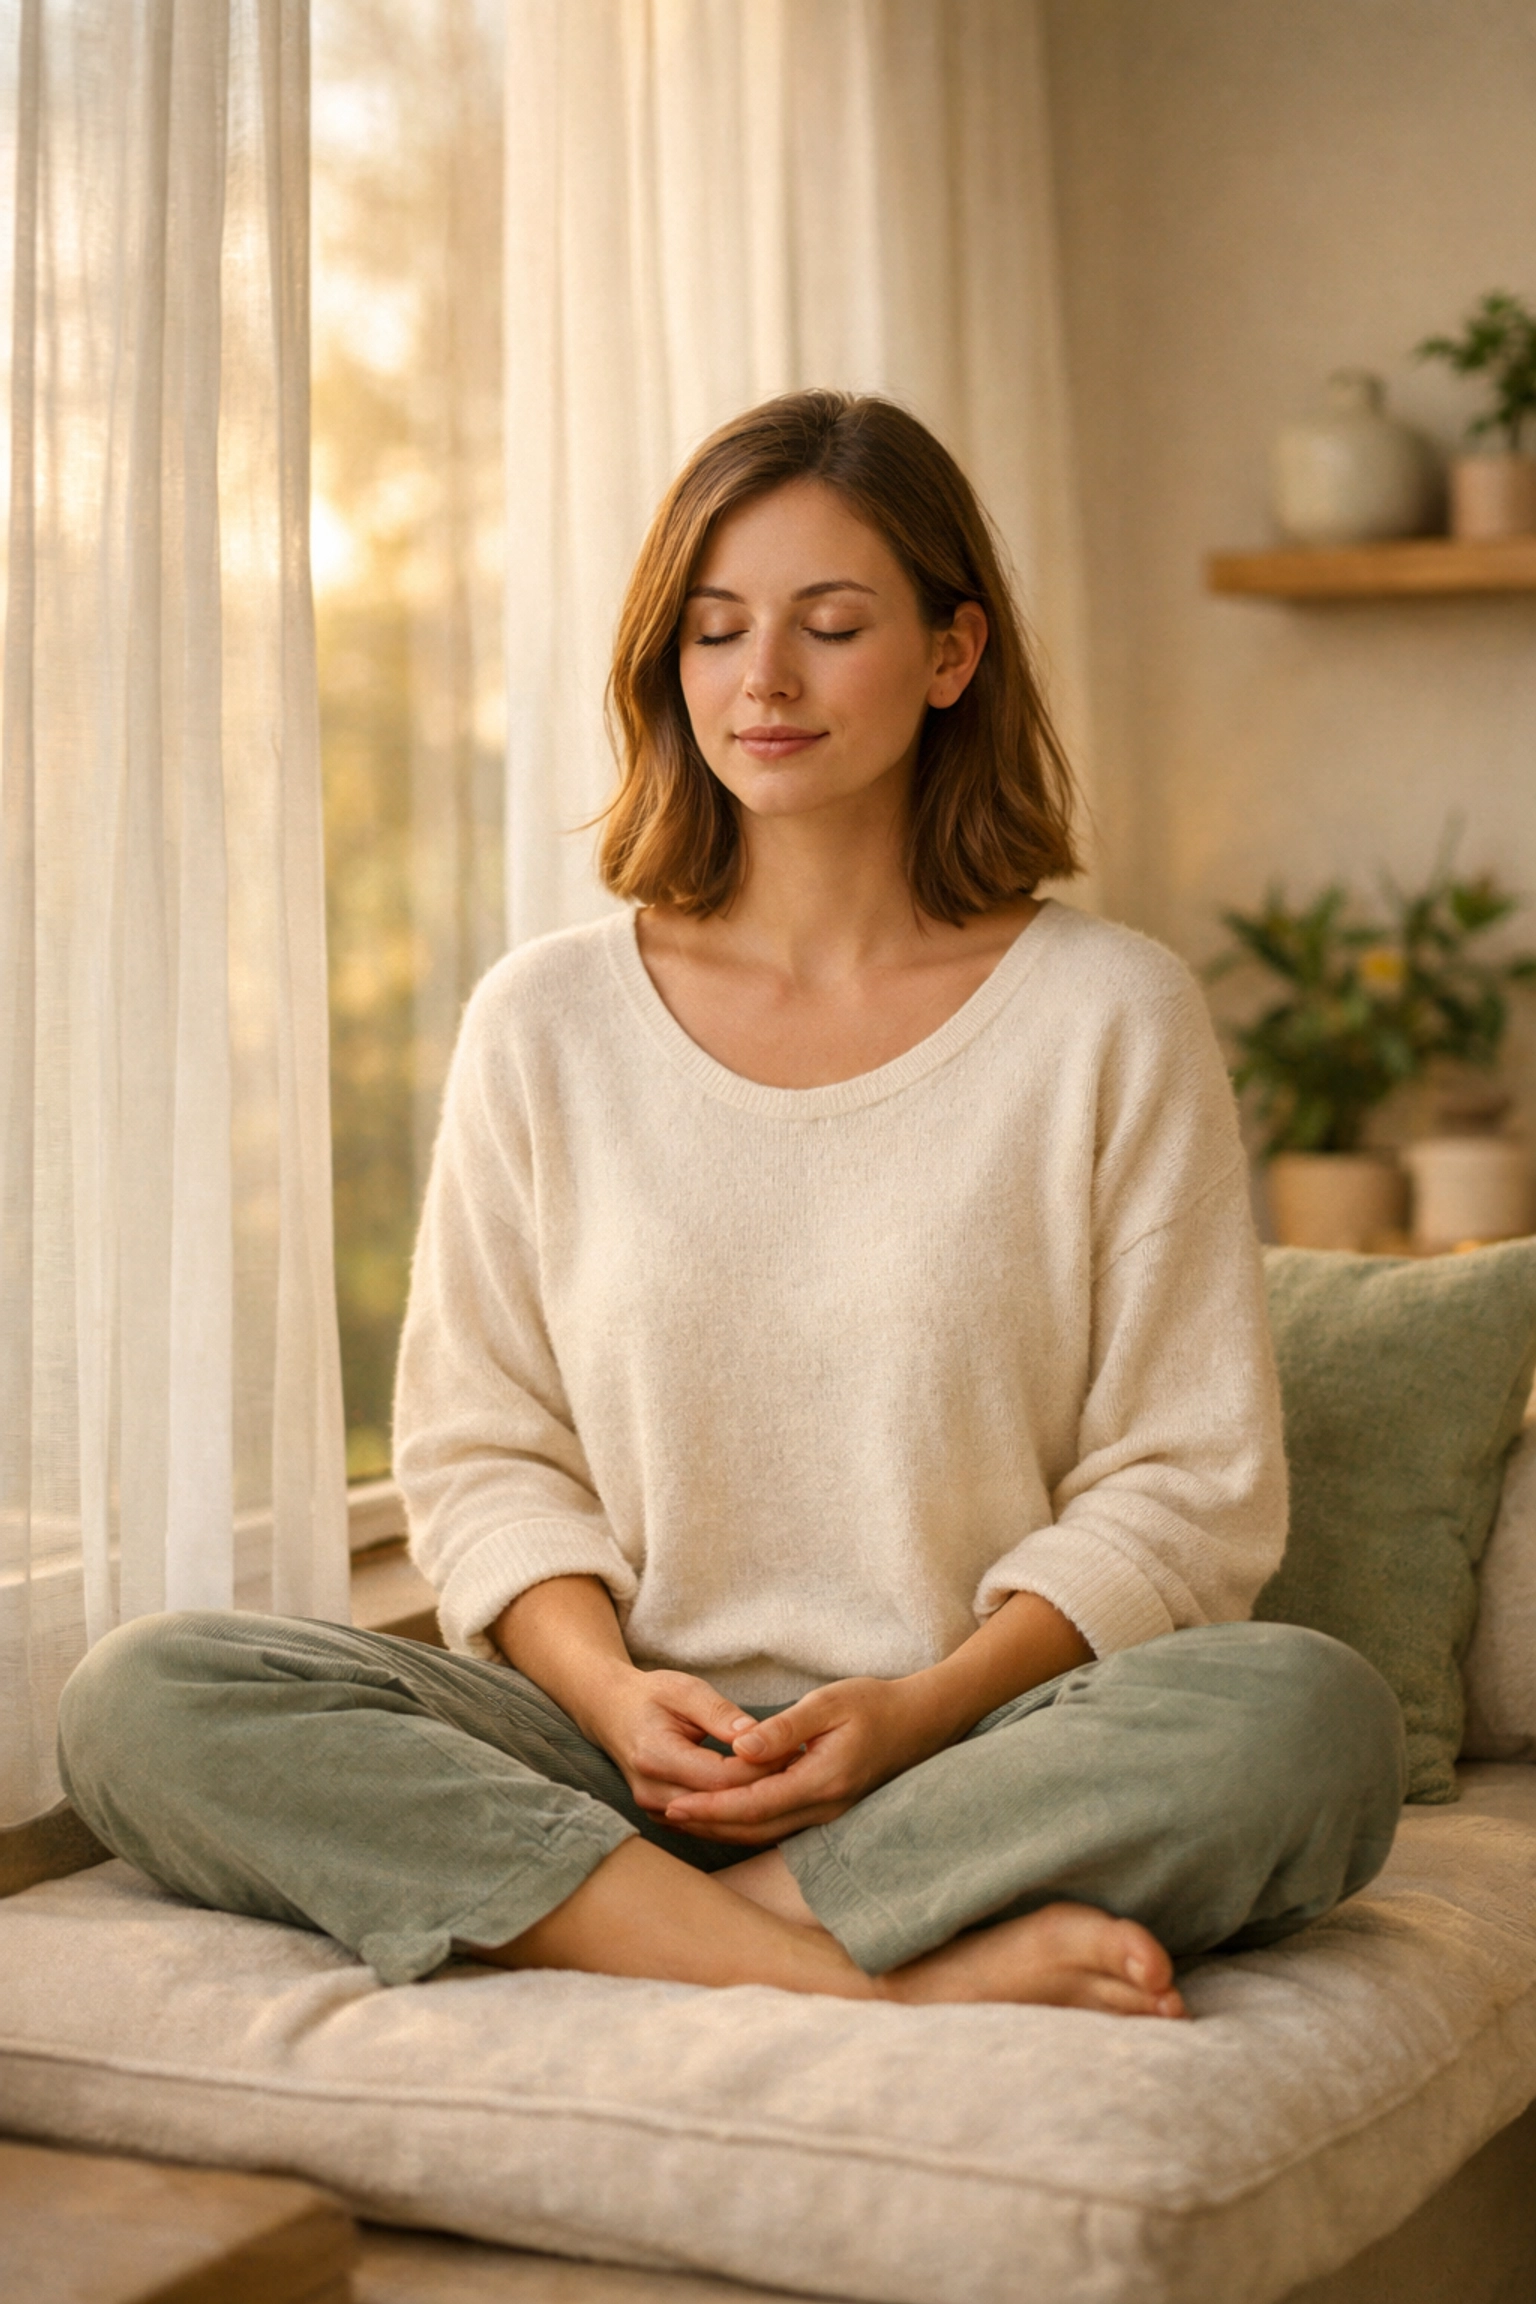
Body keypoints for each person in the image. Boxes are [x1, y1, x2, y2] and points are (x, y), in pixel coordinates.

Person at [58, 391, 1405, 2018]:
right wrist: (612, 1695)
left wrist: (916, 1711)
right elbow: (484, 1452)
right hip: (602, 1756)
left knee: (1305, 1721)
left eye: (831, 626)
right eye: (714, 631)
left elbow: (1186, 1492)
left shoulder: (1111, 1016)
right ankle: (850, 1972)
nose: (761, 681)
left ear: (951, 653)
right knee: (149, 1695)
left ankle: (643, 1934)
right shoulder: (543, 1020)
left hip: (969, 1755)